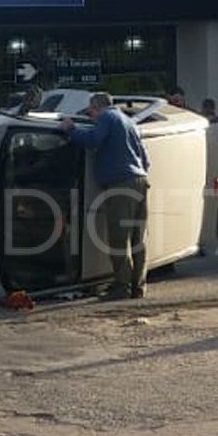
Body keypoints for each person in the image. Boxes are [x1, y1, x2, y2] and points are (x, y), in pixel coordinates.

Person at [60, 93, 152, 299]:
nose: (91, 117)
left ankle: (122, 287)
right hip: (140, 181)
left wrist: (71, 129)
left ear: (96, 107)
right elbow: (146, 160)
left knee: (119, 238)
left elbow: (93, 140)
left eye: (90, 112)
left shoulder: (106, 118)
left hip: (120, 184)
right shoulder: (130, 122)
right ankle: (139, 285)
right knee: (138, 238)